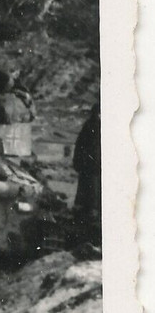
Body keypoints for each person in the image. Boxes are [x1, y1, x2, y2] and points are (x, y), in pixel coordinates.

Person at [72, 102, 101, 246]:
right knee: (91, 195)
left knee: (89, 194)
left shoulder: (90, 125)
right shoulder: (92, 126)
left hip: (93, 167)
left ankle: (88, 217)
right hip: (92, 167)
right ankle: (89, 218)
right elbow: (81, 146)